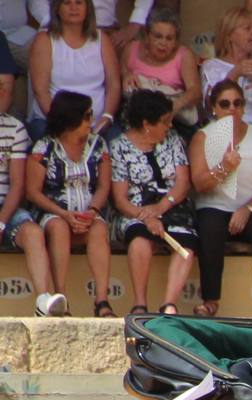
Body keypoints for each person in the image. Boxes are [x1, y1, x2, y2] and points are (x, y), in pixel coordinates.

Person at [191, 79, 252, 318]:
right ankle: (210, 301)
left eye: (237, 103)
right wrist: (224, 167)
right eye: (224, 104)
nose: (231, 109)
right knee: (209, 227)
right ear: (214, 108)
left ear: (243, 107)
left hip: (250, 207)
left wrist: (247, 208)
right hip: (215, 207)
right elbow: (199, 184)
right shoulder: (203, 137)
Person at [109, 88, 198, 316]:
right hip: (135, 211)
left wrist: (160, 209)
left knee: (185, 244)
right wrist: (146, 217)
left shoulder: (173, 140)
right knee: (140, 238)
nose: (169, 126)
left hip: (171, 207)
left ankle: (169, 304)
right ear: (147, 124)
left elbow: (182, 183)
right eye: (164, 121)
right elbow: (120, 199)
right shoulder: (119, 147)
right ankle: (140, 303)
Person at [25, 90, 111, 317]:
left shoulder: (98, 145)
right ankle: (61, 298)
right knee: (59, 228)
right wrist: (64, 214)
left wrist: (92, 212)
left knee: (100, 228)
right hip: (54, 213)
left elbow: (103, 185)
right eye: (87, 116)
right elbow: (33, 192)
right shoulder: (44, 147)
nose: (91, 121)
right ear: (71, 119)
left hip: (87, 213)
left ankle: (102, 301)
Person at [0, 61, 61, 316]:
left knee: (33, 232)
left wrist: (1, 223)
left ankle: (42, 300)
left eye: (6, 90)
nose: (5, 95)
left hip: (6, 206)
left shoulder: (15, 127)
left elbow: (18, 184)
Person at [26, 0, 121, 140]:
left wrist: (107, 116)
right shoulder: (44, 40)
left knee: (118, 138)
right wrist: (65, 126)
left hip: (97, 124)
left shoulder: (102, 39)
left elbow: (114, 84)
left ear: (87, 8)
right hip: (55, 121)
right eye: (67, 3)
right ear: (57, 8)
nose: (73, 8)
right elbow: (41, 92)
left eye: (79, 3)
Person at [203, 6, 252, 144]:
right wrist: (235, 74)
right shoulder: (212, 66)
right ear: (229, 35)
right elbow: (209, 108)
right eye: (247, 28)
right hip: (227, 134)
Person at [121, 8, 201, 136]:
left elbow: (195, 91)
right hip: (136, 118)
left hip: (173, 121)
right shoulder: (131, 49)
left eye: (169, 38)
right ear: (147, 35)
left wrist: (173, 107)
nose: (163, 43)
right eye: (158, 36)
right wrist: (126, 75)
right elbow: (122, 71)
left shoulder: (184, 55)